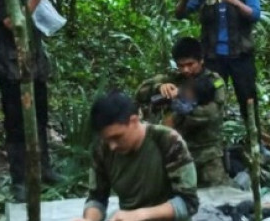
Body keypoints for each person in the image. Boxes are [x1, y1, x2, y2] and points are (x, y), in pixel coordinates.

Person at [174, 0, 263, 148]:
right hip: (213, 57)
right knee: (209, 100)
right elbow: (180, 14)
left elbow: (255, 14)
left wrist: (233, 0)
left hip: (241, 55)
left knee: (247, 99)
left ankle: (255, 144)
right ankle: (211, 144)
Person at [0, 0, 60, 201]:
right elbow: (14, 23)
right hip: (11, 72)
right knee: (16, 125)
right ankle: (19, 179)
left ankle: (45, 168)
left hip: (35, 68)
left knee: (40, 119)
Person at [75, 92, 198, 221]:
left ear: (134, 121)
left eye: (117, 137)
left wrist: (140, 214)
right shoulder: (102, 149)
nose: (112, 146)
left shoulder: (167, 141)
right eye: (107, 140)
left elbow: (189, 203)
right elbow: (97, 197)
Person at [136, 37, 228, 187]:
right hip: (176, 154)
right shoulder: (173, 78)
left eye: (190, 64)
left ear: (201, 60)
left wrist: (178, 109)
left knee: (218, 199)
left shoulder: (214, 81)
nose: (185, 70)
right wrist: (159, 87)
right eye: (181, 65)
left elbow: (212, 113)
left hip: (207, 154)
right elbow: (140, 92)